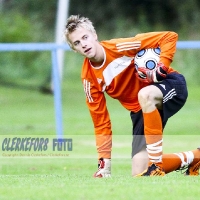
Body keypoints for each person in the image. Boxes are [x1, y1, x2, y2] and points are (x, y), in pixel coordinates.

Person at [64, 15, 200, 177]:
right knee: (139, 174)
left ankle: (155, 165)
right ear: (74, 49)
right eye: (77, 43)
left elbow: (169, 36)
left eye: (85, 37)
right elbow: (101, 122)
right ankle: (195, 157)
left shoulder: (120, 47)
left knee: (145, 94)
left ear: (94, 35)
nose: (84, 44)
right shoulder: (89, 79)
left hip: (170, 84)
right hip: (140, 110)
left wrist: (162, 66)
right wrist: (104, 164)